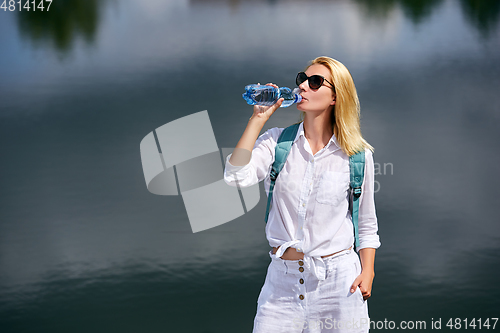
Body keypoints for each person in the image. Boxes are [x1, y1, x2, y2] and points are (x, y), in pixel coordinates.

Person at [224, 56, 381, 333]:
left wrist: (367, 271)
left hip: (339, 283)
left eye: (316, 81)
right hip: (281, 285)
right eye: (302, 79)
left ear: (335, 96)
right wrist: (257, 119)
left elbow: (366, 224)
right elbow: (235, 177)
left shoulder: (358, 156)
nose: (304, 86)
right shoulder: (276, 142)